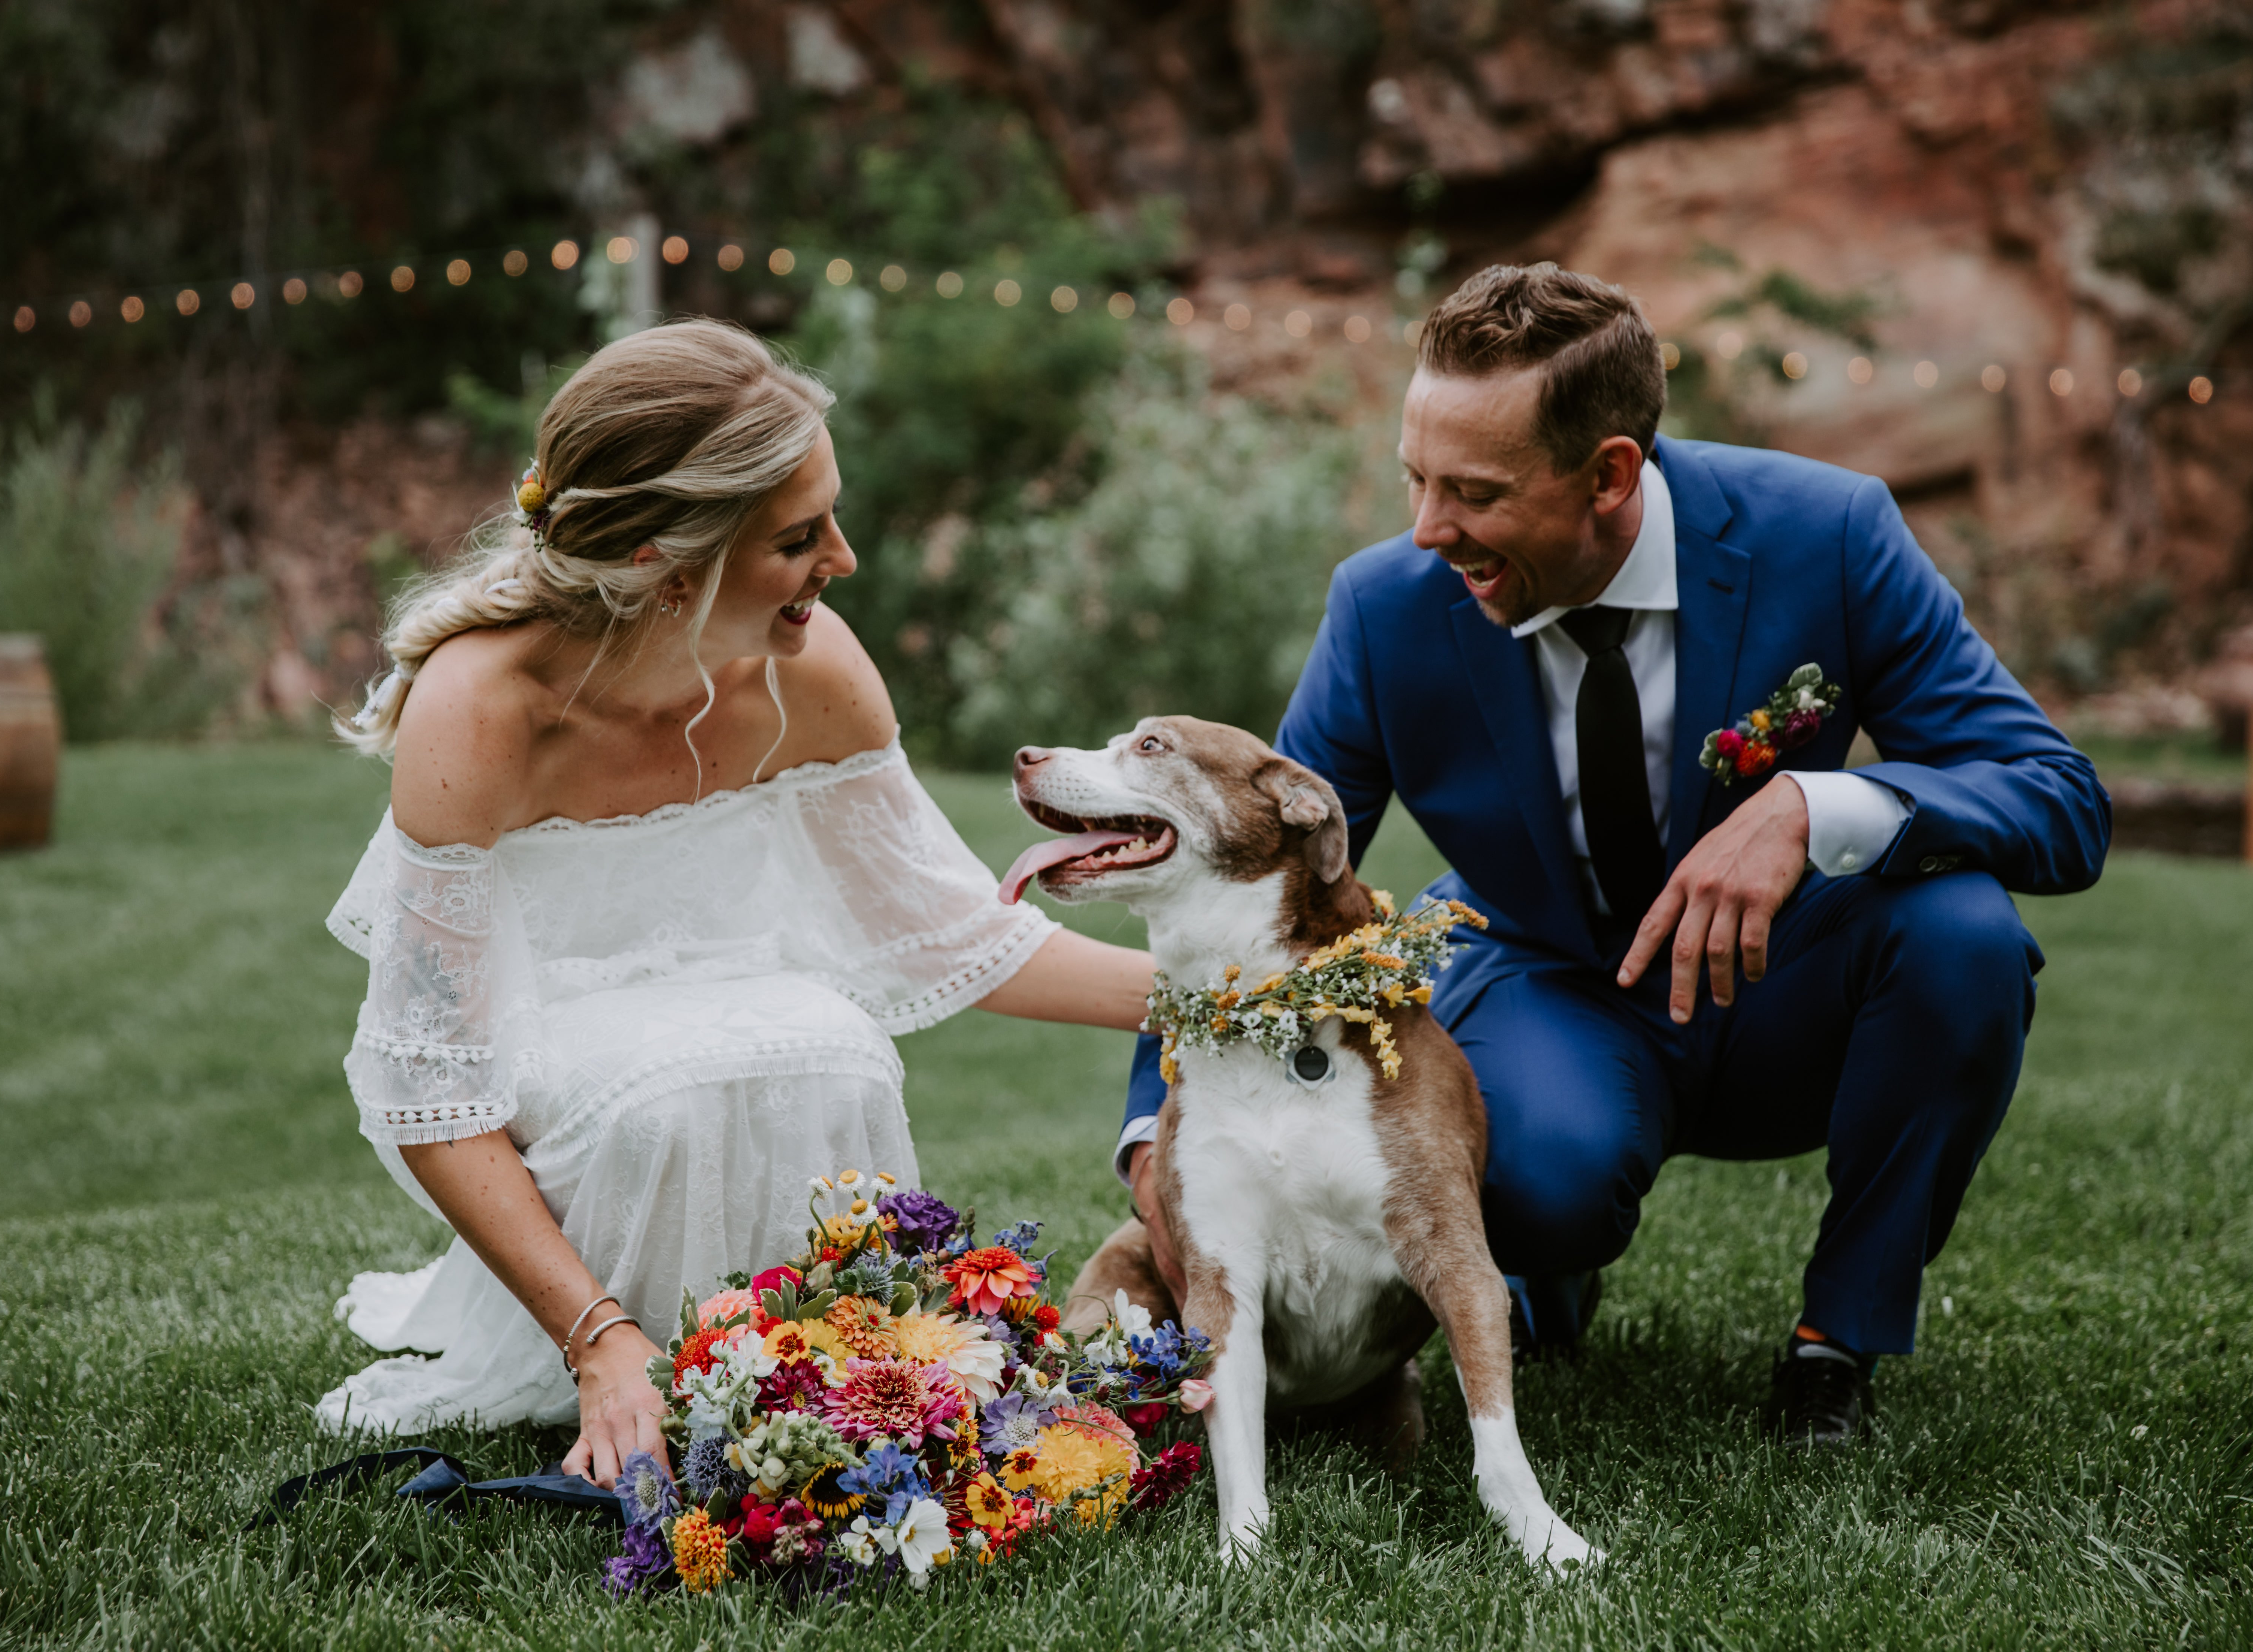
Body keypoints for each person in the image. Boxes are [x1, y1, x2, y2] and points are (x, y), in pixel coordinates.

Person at [1117, 264, 2110, 1445]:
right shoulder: (1384, 607)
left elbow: (2058, 799)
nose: (1429, 529)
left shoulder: (1829, 534)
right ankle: (1547, 1265)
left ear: (1609, 477)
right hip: (1549, 983)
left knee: (1968, 940)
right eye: (1414, 480)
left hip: (1786, 985)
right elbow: (1255, 873)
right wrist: (1152, 1131)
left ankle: (1835, 1343)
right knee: (1541, 1182)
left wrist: (1813, 803)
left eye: (1473, 493)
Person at [316, 318, 1153, 1485]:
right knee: (676, 1088)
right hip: (572, 1097)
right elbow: (433, 1089)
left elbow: (959, 939)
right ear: (670, 556)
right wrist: (597, 1341)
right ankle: (650, 1352)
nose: (845, 560)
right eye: (800, 536)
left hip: (756, 1042)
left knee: (833, 1041)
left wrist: (1229, 997)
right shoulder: (483, 707)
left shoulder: (808, 668)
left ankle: (825, 1349)